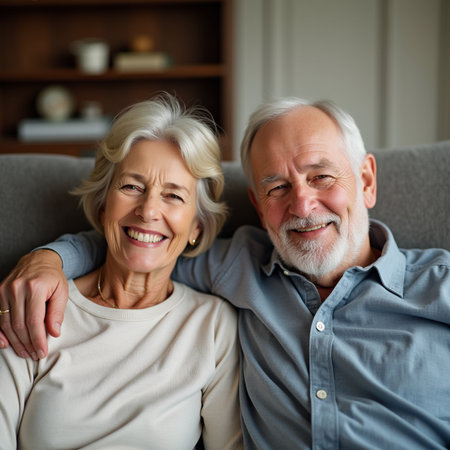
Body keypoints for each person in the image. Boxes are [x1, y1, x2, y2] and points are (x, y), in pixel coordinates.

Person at [1, 97, 450, 449]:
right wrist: (49, 260)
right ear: (258, 206)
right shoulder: (239, 266)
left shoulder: (441, 287)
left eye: (321, 177)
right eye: (277, 187)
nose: (302, 205)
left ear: (366, 181)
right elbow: (137, 243)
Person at [0, 95, 242, 449]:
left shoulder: (213, 325)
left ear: (197, 228)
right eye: (132, 187)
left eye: (173, 196)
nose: (148, 211)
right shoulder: (37, 303)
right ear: (102, 206)